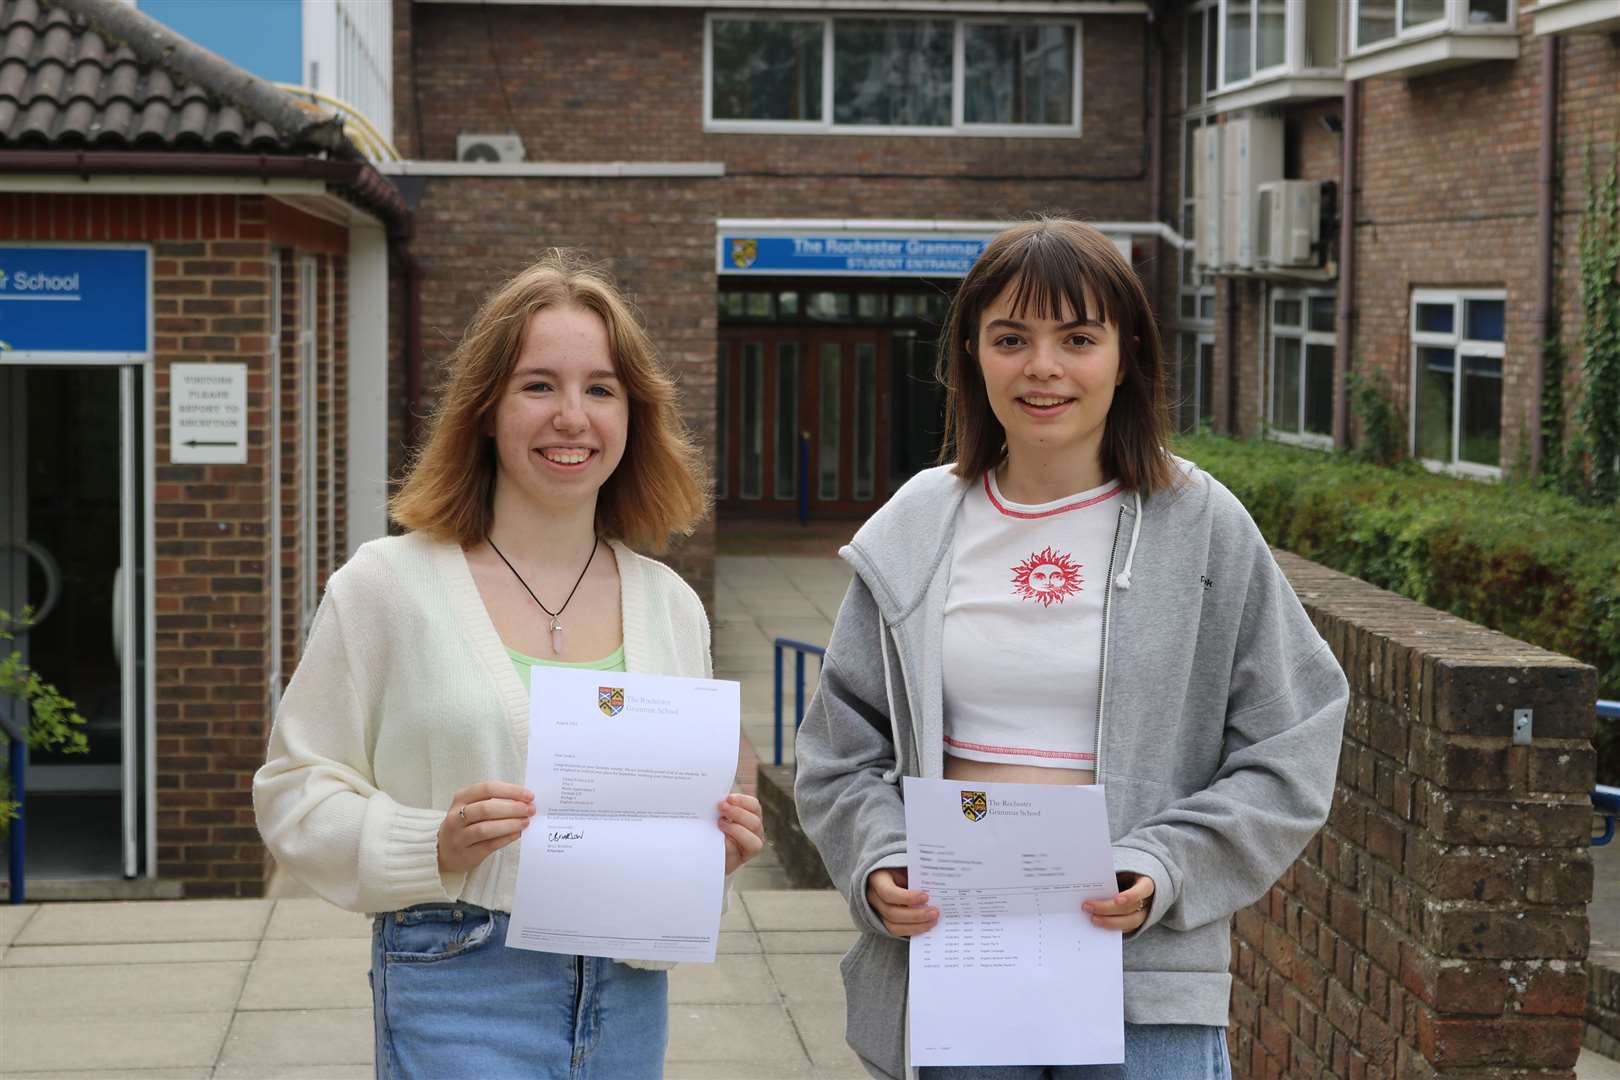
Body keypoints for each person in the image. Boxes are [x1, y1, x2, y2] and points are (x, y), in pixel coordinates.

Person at [793, 217, 1348, 1080]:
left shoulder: (1203, 527)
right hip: (956, 970)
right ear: (971, 353)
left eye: (1077, 338)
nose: (1042, 367)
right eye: (1011, 337)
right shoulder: (914, 529)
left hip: (1145, 985)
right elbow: (837, 755)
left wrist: (1165, 866)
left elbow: (1295, 739)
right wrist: (878, 861)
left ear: (1126, 354)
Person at [253, 250, 765, 1080]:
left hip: (628, 991)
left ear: (633, 415)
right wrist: (435, 843)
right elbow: (291, 794)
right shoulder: (386, 587)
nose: (573, 416)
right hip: (457, 976)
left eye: (600, 388)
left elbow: (672, 815)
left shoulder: (670, 603)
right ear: (486, 410)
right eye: (539, 385)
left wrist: (717, 850)